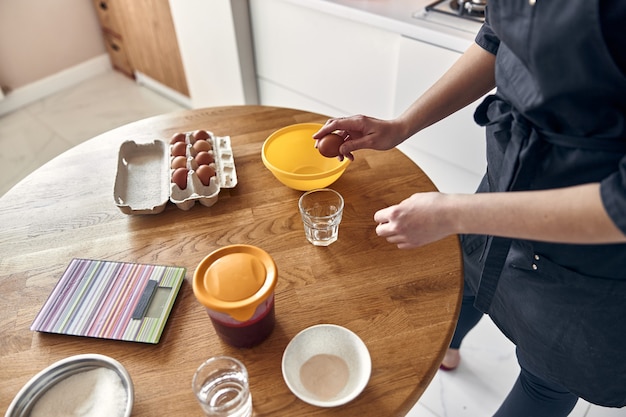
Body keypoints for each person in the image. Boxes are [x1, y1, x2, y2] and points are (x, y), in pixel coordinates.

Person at [313, 1, 626, 416]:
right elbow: (499, 38)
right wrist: (402, 125)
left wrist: (455, 214)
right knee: (471, 280)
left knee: (545, 377)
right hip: (508, 180)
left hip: (588, 242)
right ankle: (451, 348)